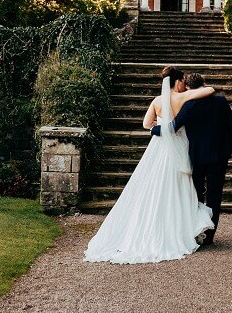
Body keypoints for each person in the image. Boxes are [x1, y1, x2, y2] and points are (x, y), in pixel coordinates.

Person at [84, 66, 216, 264]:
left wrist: (159, 125)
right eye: (182, 81)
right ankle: (178, 228)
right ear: (178, 82)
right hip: (177, 148)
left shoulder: (156, 101)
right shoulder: (181, 98)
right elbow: (209, 90)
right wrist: (193, 90)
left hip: (158, 147)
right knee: (178, 185)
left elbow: (146, 124)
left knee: (153, 184)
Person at [151, 71, 232, 245]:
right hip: (219, 156)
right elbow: (231, 127)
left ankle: (197, 231)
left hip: (197, 156)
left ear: (188, 87)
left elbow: (172, 128)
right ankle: (210, 236)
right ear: (203, 83)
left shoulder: (188, 105)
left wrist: (154, 130)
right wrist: (229, 150)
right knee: (215, 195)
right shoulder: (221, 101)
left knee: (195, 194)